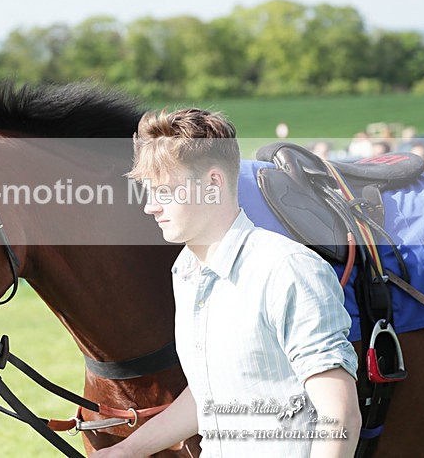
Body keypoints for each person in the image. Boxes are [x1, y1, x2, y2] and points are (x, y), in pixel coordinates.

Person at [94, 109, 360, 457]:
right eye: (148, 191)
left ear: (213, 183)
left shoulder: (287, 270)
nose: (150, 207)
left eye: (164, 191)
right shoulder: (186, 273)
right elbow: (210, 395)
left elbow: (339, 415)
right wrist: (126, 451)